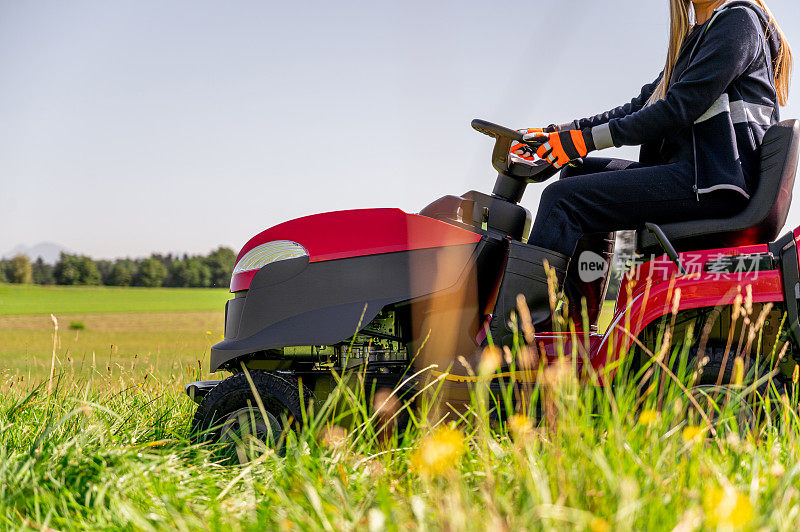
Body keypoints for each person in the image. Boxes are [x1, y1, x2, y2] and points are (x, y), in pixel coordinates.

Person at [488, 0, 793, 344]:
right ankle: (573, 330)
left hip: (715, 181)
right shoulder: (699, 37)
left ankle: (512, 342)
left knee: (562, 200)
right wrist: (559, 133)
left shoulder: (738, 21)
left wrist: (581, 141)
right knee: (576, 175)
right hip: (698, 176)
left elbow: (678, 108)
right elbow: (641, 106)